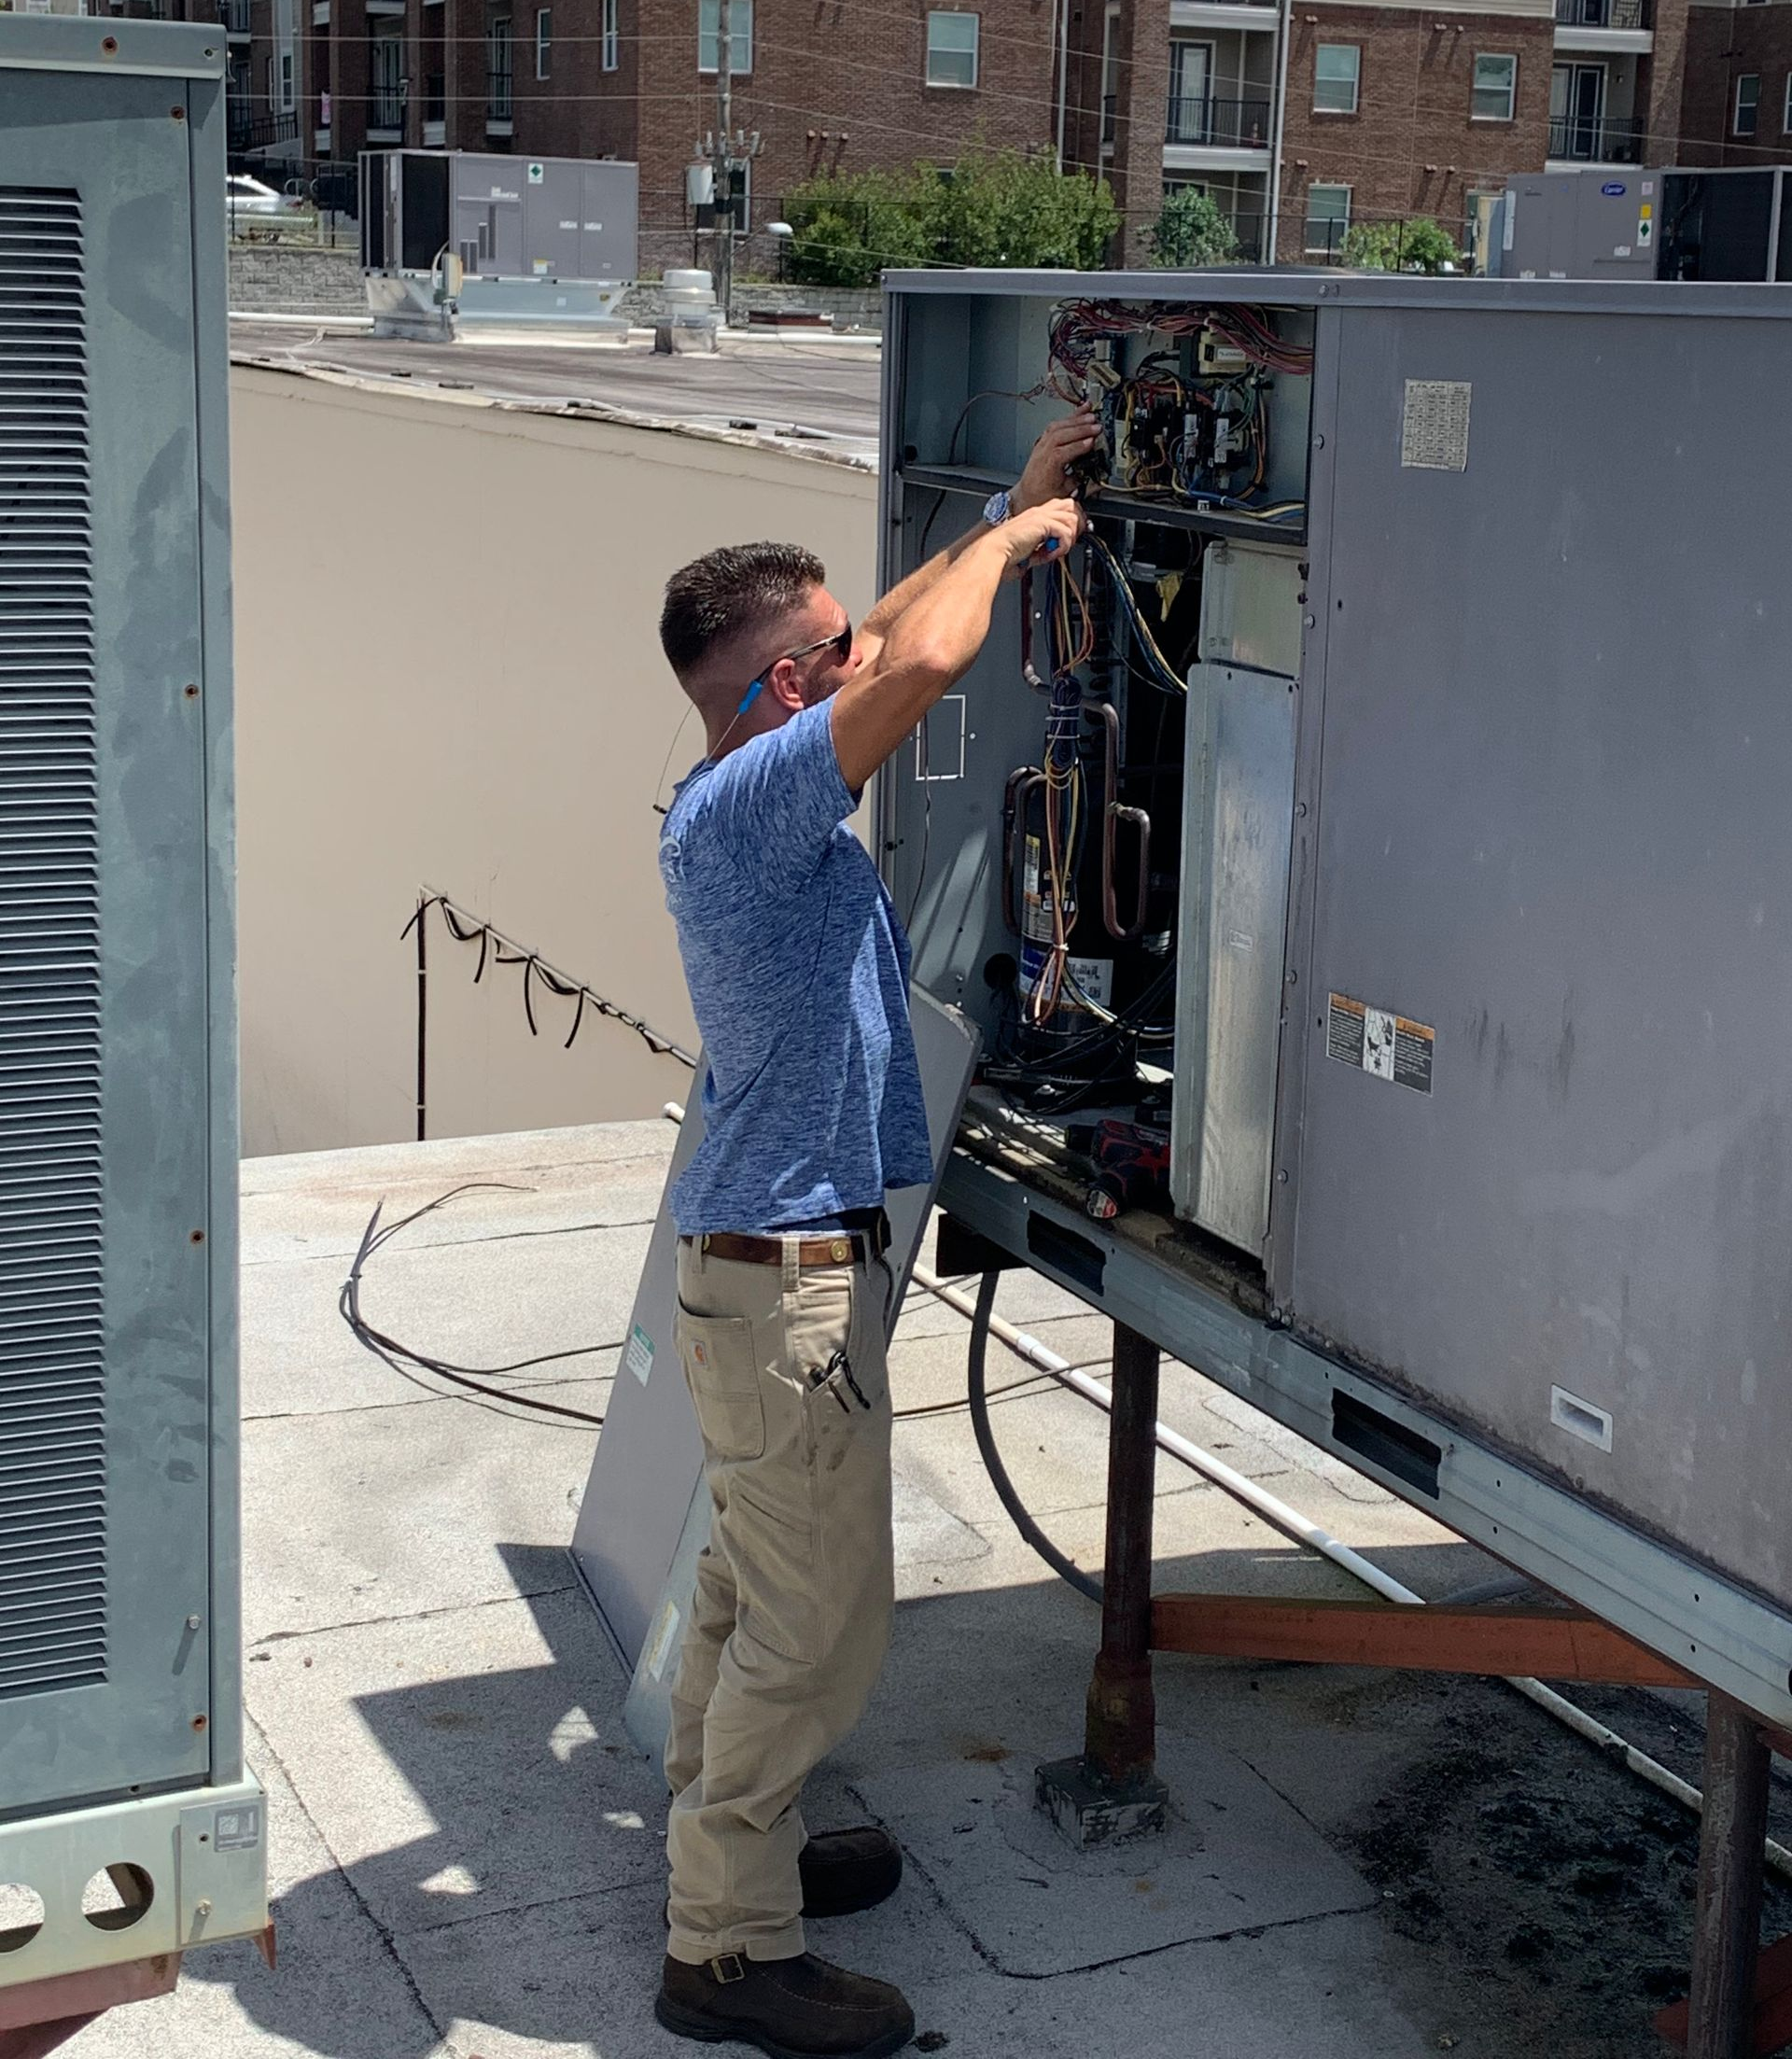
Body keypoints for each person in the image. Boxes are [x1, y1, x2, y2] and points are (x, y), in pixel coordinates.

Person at [651, 408, 1097, 2059]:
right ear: (783, 688)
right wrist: (1019, 547)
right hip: (784, 1293)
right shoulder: (762, 806)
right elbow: (930, 656)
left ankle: (721, 1840)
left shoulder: (734, 781)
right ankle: (724, 1947)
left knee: (737, 1596)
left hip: (755, 1279)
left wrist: (1005, 504)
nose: (863, 654)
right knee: (818, 1638)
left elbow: (891, 630)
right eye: (828, 651)